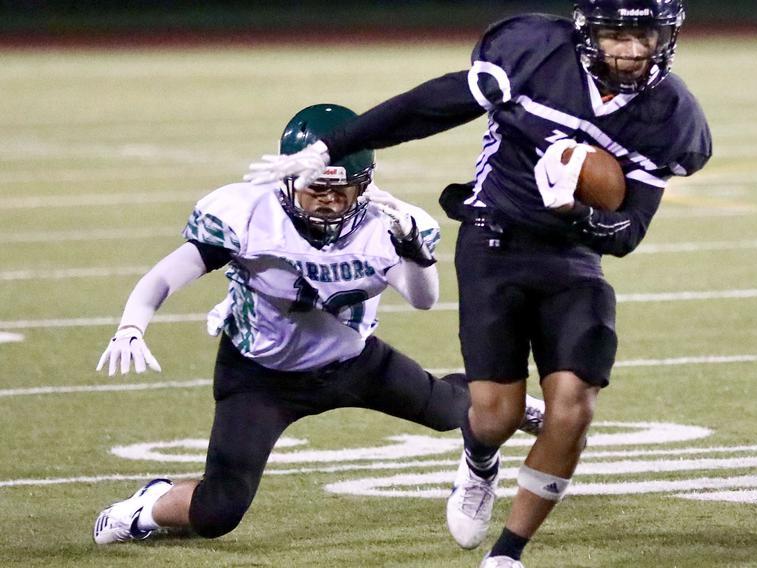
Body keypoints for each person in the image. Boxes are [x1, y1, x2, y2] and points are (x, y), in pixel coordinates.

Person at [243, 1, 712, 566]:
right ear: (589, 31)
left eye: (648, 35)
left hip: (573, 257)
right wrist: (330, 147)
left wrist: (577, 214)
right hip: (495, 238)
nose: (634, 51)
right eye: (619, 34)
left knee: (573, 409)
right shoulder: (535, 55)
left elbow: (627, 231)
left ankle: (508, 553)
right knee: (496, 414)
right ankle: (480, 460)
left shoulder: (672, 114)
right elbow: (429, 106)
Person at [92, 103, 547, 546]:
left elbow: (424, 299)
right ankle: (145, 508)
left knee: (451, 412)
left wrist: (415, 250)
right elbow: (164, 276)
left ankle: (506, 404)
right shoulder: (248, 215)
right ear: (289, 179)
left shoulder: (385, 224)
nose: (329, 200)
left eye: (342, 188)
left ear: (364, 184)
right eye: (316, 188)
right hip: (260, 375)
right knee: (218, 512)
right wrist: (131, 326)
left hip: (354, 363)